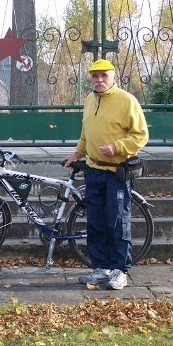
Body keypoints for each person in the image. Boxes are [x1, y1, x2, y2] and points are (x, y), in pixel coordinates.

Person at [63, 58, 149, 290]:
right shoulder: (90, 100)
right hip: (93, 170)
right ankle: (101, 268)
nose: (99, 80)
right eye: (94, 76)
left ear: (113, 77)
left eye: (104, 76)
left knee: (118, 222)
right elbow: (86, 131)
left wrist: (117, 147)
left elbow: (140, 135)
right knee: (96, 222)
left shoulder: (126, 100)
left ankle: (120, 270)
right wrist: (78, 153)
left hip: (116, 173)